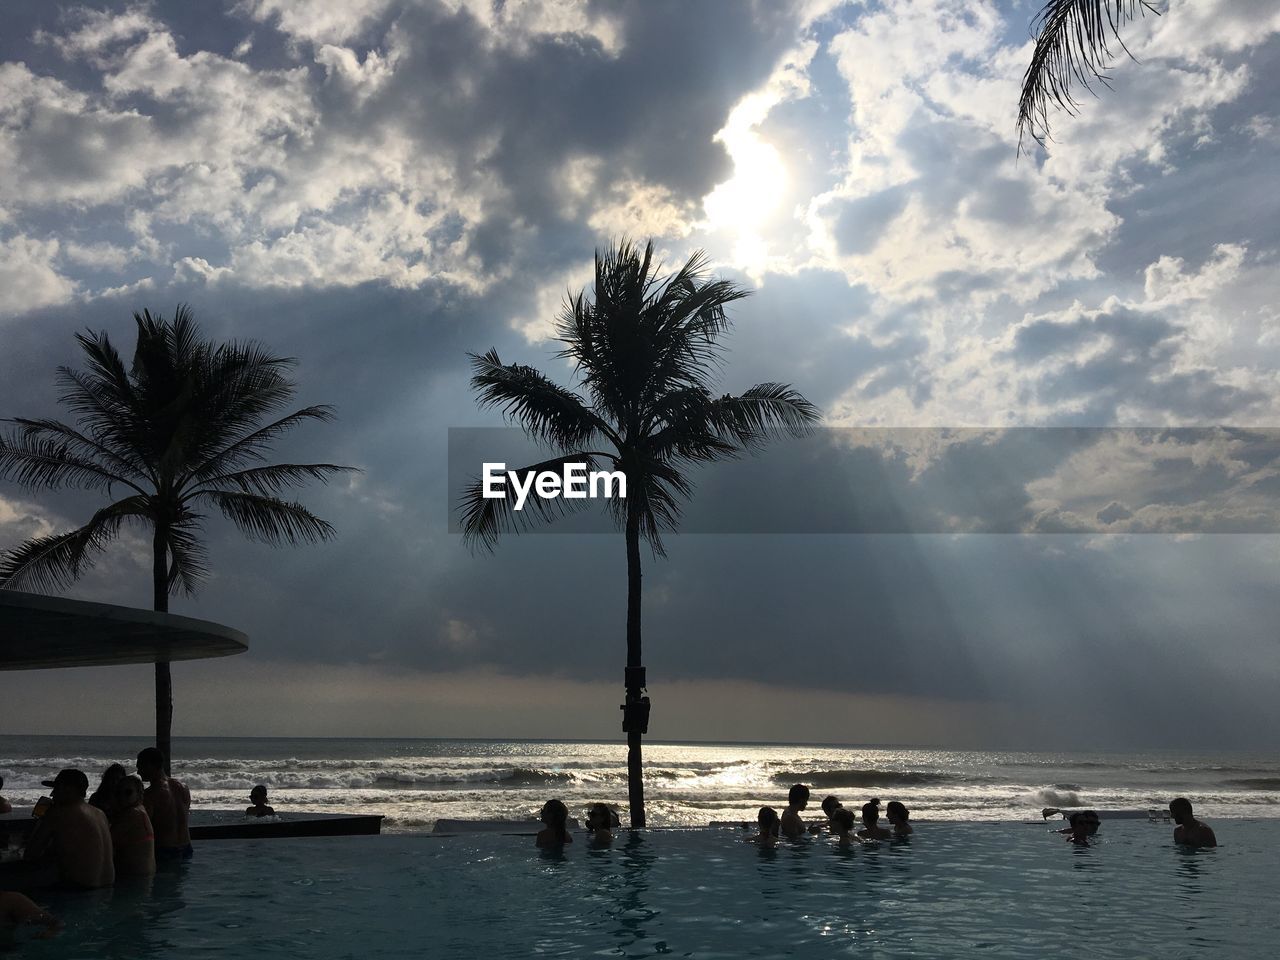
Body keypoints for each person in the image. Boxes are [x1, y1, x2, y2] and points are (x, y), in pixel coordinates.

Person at [22, 769, 114, 889]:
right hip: (109, 887)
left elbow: (31, 853)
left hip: (78, 890)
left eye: (56, 789)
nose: (52, 794)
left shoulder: (58, 813)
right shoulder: (100, 813)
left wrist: (43, 817)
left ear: (68, 789)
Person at [136, 748, 192, 861]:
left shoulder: (150, 795)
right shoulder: (184, 788)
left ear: (150, 765)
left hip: (164, 850)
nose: (138, 772)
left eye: (140, 767)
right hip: (186, 848)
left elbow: (144, 829)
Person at [110, 776, 155, 878]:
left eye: (128, 792)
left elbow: (106, 840)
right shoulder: (141, 809)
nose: (122, 796)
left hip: (133, 879)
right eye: (118, 793)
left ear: (139, 793)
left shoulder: (133, 813)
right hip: (142, 878)